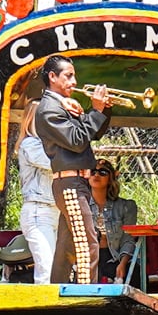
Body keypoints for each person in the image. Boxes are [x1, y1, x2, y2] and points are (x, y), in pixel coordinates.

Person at [34, 54, 111, 283]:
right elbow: (77, 140)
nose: (74, 81)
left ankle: (56, 292)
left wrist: (104, 111)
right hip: (70, 185)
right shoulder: (48, 109)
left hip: (77, 184)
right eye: (68, 76)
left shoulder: (63, 105)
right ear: (52, 77)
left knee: (67, 247)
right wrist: (95, 111)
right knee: (88, 242)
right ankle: (88, 296)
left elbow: (93, 133)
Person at [15, 100, 60, 284]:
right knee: (46, 271)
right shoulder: (30, 144)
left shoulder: (49, 145)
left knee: (58, 270)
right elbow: (53, 164)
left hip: (55, 211)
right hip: (38, 212)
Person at [84, 158, 139, 286]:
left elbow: (128, 239)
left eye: (103, 172)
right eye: (93, 171)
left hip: (115, 257)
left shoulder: (126, 206)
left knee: (135, 272)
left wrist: (123, 263)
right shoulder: (81, 205)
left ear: (111, 178)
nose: (96, 175)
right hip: (88, 259)